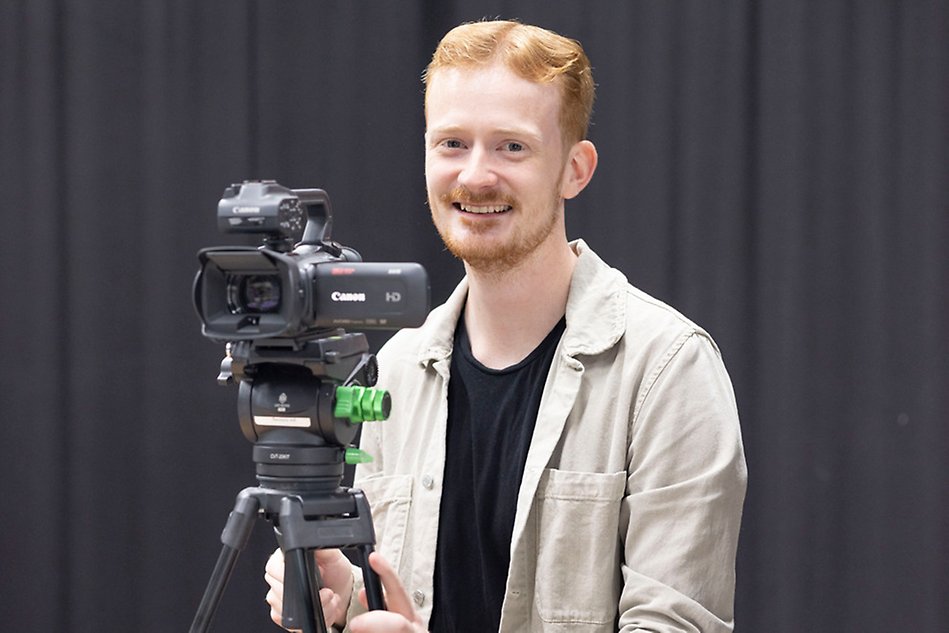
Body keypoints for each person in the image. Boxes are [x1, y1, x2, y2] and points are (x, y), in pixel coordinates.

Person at [265, 19, 747, 632]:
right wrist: (349, 603)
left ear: (576, 168)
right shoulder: (395, 372)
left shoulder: (667, 368)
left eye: (511, 147)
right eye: (451, 144)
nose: (474, 176)